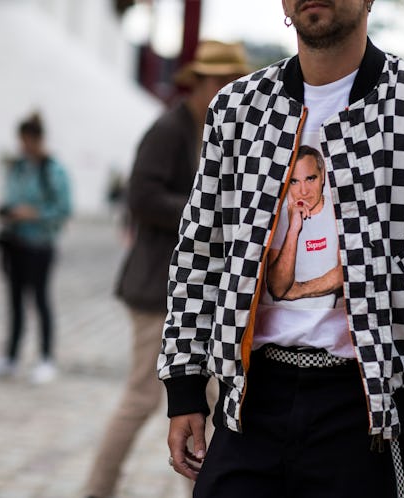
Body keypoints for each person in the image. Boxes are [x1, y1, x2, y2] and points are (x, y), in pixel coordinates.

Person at [160, 1, 404, 496]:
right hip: (251, 401)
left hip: (370, 408)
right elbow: (200, 252)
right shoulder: (237, 109)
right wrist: (185, 388)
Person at [82, 40, 251, 498]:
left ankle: (205, 489)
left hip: (202, 292)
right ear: (195, 82)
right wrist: (209, 211)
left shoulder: (216, 129)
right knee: (141, 399)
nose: (223, 88)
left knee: (213, 402)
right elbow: (141, 198)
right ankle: (97, 490)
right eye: (215, 79)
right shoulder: (169, 128)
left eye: (231, 80)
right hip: (157, 288)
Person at [0, 112, 72, 385]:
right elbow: (10, 198)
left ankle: (46, 358)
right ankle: (10, 357)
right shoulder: (18, 168)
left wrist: (33, 214)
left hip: (40, 245)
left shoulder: (53, 170)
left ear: (38, 140)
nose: (24, 146)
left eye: (27, 140)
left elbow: (63, 209)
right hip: (15, 244)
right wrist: (9, 211)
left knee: (40, 300)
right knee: (14, 301)